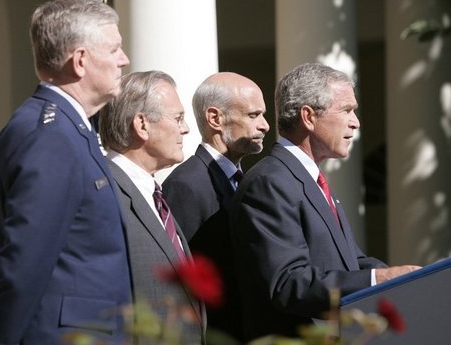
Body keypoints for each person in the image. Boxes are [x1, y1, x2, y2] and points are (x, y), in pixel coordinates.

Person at [0, 0, 132, 345]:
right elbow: (21, 266)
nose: (124, 59)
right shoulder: (51, 136)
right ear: (80, 61)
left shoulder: (69, 128)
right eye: (115, 49)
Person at [229, 63, 420, 340]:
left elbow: (349, 261)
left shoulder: (309, 180)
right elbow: (288, 282)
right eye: (346, 110)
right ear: (308, 116)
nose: (355, 122)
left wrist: (400, 276)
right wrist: (376, 280)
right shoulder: (269, 183)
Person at [98, 70, 205, 344]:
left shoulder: (155, 195)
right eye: (178, 118)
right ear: (142, 125)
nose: (186, 129)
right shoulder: (104, 196)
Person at [162, 72, 270, 340]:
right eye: (253, 115)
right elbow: (179, 282)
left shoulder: (243, 181)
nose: (265, 125)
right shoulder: (185, 185)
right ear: (215, 119)